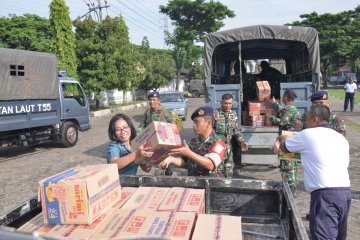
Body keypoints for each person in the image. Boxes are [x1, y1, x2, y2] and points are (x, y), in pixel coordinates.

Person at [273, 104, 351, 240]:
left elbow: (285, 147)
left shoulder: (308, 134)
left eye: (307, 119)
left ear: (315, 120)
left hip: (325, 195)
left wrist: (279, 144)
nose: (305, 123)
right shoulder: (340, 138)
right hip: (345, 193)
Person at [159, 106, 229, 177]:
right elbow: (185, 162)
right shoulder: (193, 141)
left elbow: (210, 164)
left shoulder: (220, 141)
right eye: (193, 122)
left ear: (208, 123)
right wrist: (171, 159)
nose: (193, 125)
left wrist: (189, 153)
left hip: (212, 186)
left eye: (197, 122)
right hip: (194, 184)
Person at [138, 91, 181, 175]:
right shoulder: (148, 112)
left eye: (154, 99)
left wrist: (174, 140)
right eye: (150, 100)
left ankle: (162, 174)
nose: (152, 102)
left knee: (162, 157)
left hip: (164, 140)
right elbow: (143, 125)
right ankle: (166, 172)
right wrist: (138, 135)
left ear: (159, 101)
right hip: (153, 140)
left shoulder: (165, 111)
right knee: (156, 158)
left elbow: (173, 125)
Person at [270, 89, 303, 196]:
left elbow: (283, 121)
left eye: (283, 96)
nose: (282, 97)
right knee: (292, 163)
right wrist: (275, 104)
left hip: (288, 140)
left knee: (287, 164)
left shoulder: (288, 109)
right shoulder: (292, 108)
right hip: (293, 139)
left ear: (286, 98)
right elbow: (282, 111)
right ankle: (292, 186)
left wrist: (272, 118)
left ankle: (291, 188)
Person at [213, 93, 248, 175]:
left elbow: (236, 130)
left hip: (229, 149)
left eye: (230, 103)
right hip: (217, 148)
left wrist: (241, 141)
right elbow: (210, 130)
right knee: (217, 171)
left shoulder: (233, 114)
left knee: (229, 171)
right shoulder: (215, 114)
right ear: (221, 103)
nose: (228, 106)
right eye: (226, 103)